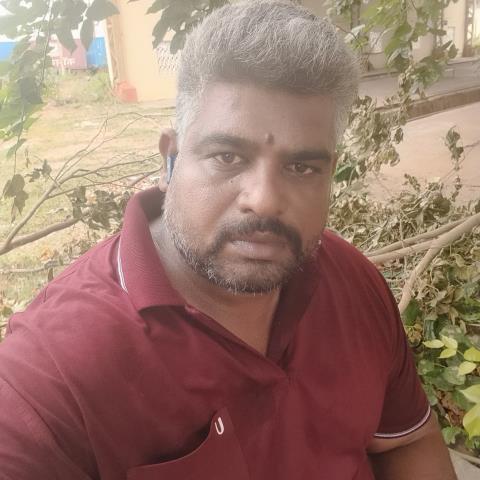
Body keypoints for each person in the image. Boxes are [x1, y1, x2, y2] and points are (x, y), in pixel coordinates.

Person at [0, 1, 457, 479]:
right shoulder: (51, 375)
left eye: (302, 167)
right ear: (170, 159)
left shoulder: (351, 281)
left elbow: (408, 440)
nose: (265, 200)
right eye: (227, 157)